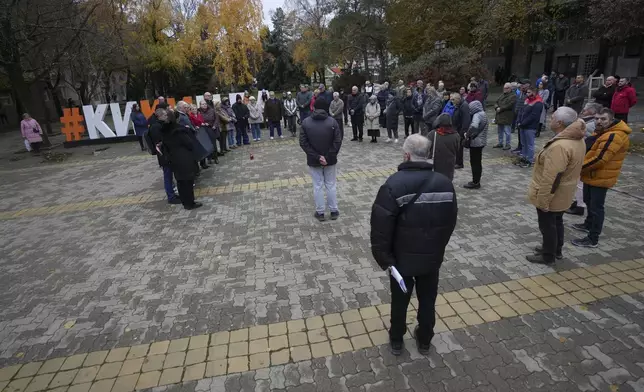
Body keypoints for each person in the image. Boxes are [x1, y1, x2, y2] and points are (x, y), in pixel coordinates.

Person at [370, 134, 458, 356]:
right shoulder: (445, 183)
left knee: (400, 300)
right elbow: (450, 222)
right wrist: (438, 247)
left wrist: (385, 259)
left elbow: (381, 228)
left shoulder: (393, 184)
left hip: (402, 261)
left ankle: (397, 339)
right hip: (431, 259)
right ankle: (425, 338)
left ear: (406, 155)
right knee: (428, 299)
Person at [526, 107, 586, 264]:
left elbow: (552, 177)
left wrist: (544, 200)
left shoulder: (560, 146)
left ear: (559, 123)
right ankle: (555, 249)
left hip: (553, 193)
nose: (549, 120)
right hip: (564, 192)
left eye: (552, 118)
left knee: (548, 225)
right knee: (557, 221)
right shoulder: (576, 139)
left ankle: (548, 256)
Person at [571, 108, 631, 248]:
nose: (599, 121)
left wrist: (578, 168)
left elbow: (600, 159)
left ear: (611, 120)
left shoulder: (613, 135)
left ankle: (593, 238)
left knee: (597, 207)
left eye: (603, 119)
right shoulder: (602, 132)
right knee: (588, 201)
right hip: (591, 175)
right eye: (597, 118)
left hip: (600, 176)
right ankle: (588, 224)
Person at [300, 98, 342, 222]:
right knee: (331, 185)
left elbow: (303, 143)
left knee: (317, 186)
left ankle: (320, 212)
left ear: (313, 107)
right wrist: (328, 157)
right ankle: (334, 211)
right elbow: (337, 141)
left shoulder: (306, 122)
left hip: (314, 160)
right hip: (330, 160)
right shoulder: (332, 122)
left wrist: (317, 157)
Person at [565, 102, 602, 216]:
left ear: (591, 112)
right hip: (583, 154)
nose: (583, 111)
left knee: (580, 183)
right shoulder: (587, 121)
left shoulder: (590, 125)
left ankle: (580, 205)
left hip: (585, 155)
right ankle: (577, 202)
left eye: (585, 110)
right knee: (578, 182)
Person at [162, 110, 203, 210]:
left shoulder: (164, 130)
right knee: (188, 181)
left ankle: (185, 202)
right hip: (184, 158)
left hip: (173, 158)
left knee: (180, 181)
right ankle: (190, 203)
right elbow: (189, 143)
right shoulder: (180, 130)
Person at [148, 107, 181, 205]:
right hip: (164, 156)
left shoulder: (160, 125)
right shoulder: (156, 127)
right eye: (165, 115)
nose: (167, 117)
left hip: (167, 154)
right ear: (160, 116)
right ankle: (171, 197)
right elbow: (160, 142)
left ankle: (172, 194)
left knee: (169, 176)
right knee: (167, 176)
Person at [515, 87, 544, 168]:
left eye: (529, 92)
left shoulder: (538, 103)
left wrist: (522, 123)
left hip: (530, 127)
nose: (527, 94)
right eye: (527, 92)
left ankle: (529, 160)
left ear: (534, 92)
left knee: (529, 144)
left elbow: (533, 116)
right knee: (524, 144)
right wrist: (518, 121)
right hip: (522, 125)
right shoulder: (527, 100)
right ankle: (524, 158)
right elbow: (521, 111)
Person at [427, 114, 460, 181]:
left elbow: (426, 148)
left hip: (435, 163)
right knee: (447, 181)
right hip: (449, 163)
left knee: (435, 182)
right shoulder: (456, 135)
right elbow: (457, 149)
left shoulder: (433, 134)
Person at [463, 100, 488, 189]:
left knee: (474, 162)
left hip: (476, 142)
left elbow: (474, 126)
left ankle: (475, 182)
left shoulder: (477, 115)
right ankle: (476, 181)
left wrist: (468, 134)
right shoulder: (483, 114)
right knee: (478, 162)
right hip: (482, 141)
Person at [448, 93, 470, 169]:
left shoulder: (464, 106)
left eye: (453, 99)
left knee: (459, 147)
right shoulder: (458, 105)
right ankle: (457, 161)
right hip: (456, 129)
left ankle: (459, 163)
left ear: (458, 99)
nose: (452, 101)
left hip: (460, 130)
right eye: (451, 99)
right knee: (457, 147)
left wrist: (463, 132)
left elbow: (466, 120)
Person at [493, 83, 517, 150]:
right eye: (504, 88)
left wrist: (500, 108)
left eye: (506, 88)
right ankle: (500, 143)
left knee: (507, 131)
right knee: (500, 131)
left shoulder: (513, 96)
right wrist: (496, 107)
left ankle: (508, 144)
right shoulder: (502, 95)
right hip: (500, 116)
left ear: (510, 88)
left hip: (507, 116)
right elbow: (496, 102)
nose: (504, 89)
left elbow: (509, 105)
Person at [188, 104, 210, 170]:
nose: (194, 110)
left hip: (202, 131)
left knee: (204, 147)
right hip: (197, 133)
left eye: (195, 109)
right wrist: (196, 126)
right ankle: (201, 163)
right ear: (191, 110)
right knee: (199, 148)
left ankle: (204, 163)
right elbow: (192, 124)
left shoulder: (199, 115)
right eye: (193, 109)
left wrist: (204, 123)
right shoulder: (190, 116)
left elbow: (202, 121)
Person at [511, 80, 530, 154]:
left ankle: (524, 149)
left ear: (527, 85)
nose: (521, 86)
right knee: (519, 133)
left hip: (525, 116)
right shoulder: (520, 93)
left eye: (523, 85)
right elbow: (517, 103)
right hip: (518, 115)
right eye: (521, 85)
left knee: (524, 135)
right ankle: (519, 147)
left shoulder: (528, 94)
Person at [199, 100, 219, 164]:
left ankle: (215, 158)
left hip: (211, 128)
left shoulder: (212, 110)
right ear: (200, 105)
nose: (204, 105)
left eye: (205, 104)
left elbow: (216, 118)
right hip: (203, 129)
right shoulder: (198, 111)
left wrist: (214, 126)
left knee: (213, 144)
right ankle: (209, 158)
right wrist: (203, 123)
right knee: (206, 144)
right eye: (203, 104)